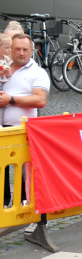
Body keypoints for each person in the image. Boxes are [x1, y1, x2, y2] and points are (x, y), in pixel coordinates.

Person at [0, 34, 49, 214]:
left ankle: (23, 206)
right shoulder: (4, 69)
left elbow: (40, 100)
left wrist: (11, 99)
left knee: (23, 170)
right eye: (17, 49)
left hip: (24, 130)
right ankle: (3, 204)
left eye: (25, 49)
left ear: (32, 50)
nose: (21, 53)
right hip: (2, 128)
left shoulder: (37, 72)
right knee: (1, 170)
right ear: (10, 50)